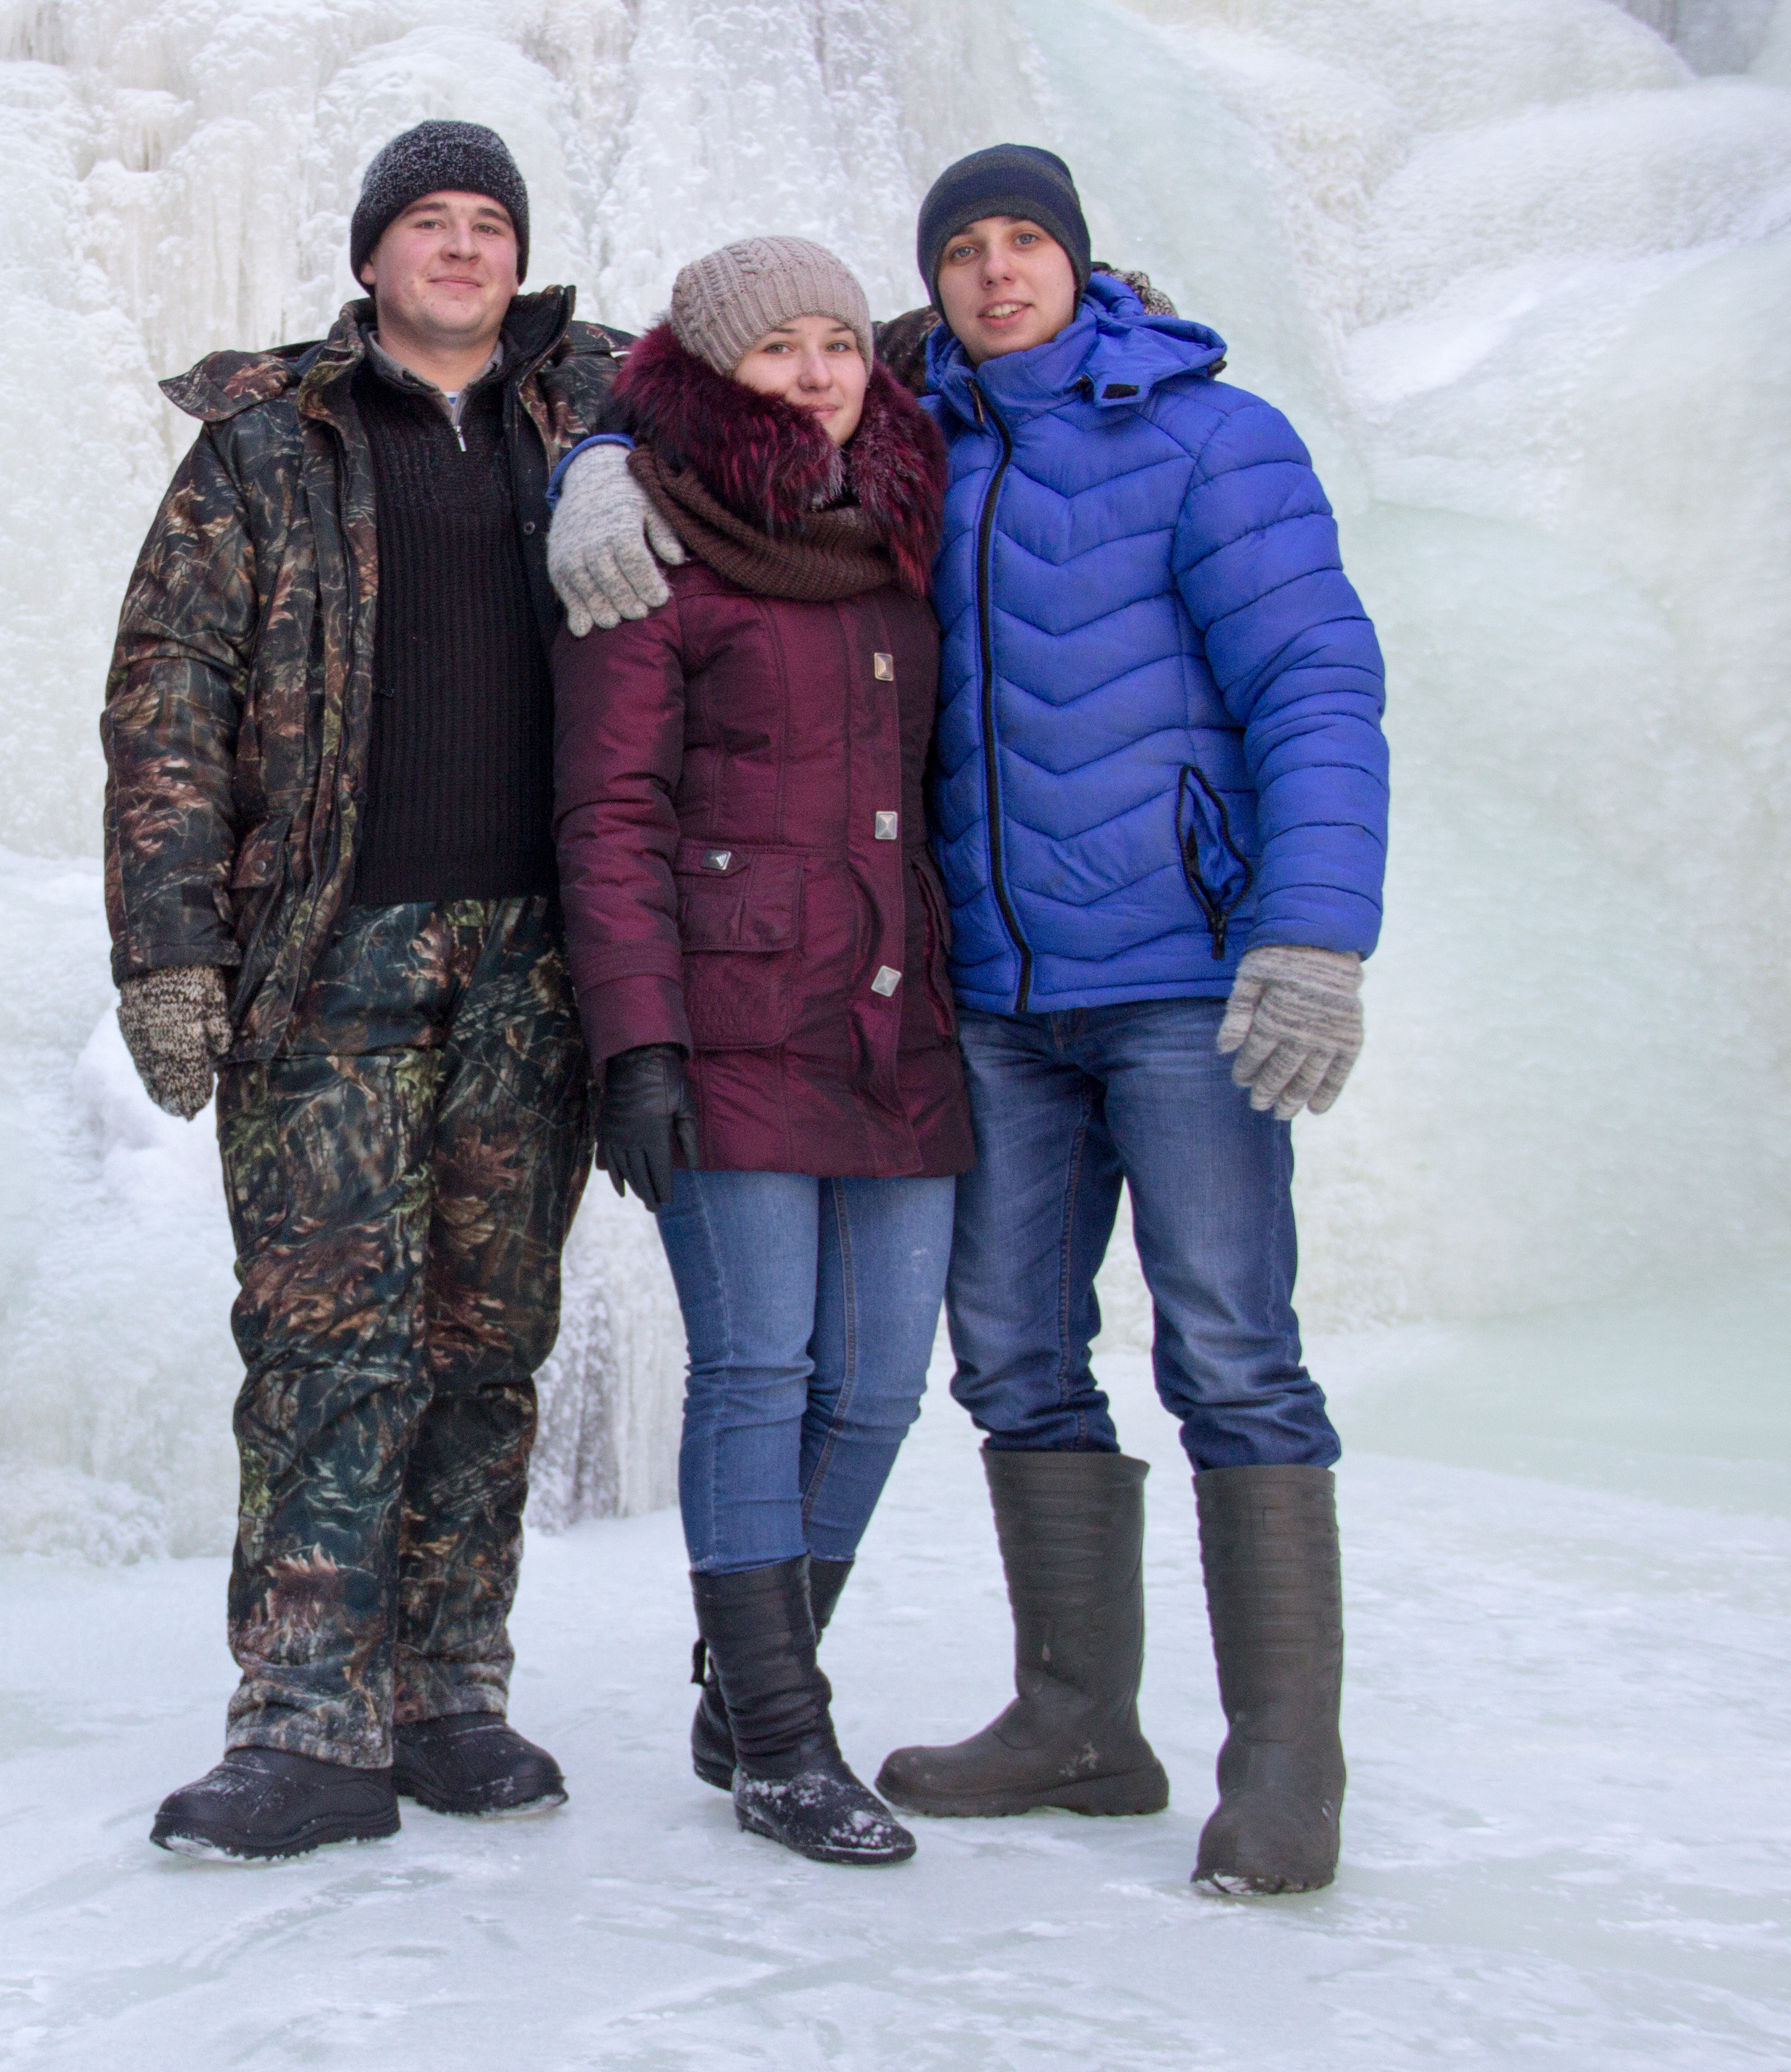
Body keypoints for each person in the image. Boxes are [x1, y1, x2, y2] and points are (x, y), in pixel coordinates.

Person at [549, 144, 1387, 1897]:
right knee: (1007, 1356)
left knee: (1232, 1352)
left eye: (1027, 242)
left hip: (1179, 976)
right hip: (983, 997)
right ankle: (1079, 1720)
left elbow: (1315, 677)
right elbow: (718, 397)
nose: (998, 273)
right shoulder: (923, 432)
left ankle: (1285, 1767)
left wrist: (1314, 930)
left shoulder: (1215, 438)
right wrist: (597, 467)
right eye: (964, 250)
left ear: (1083, 260)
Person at [101, 120, 627, 1861]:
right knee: (330, 1342)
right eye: (429, 221)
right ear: (372, 257)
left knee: (488, 1343)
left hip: (537, 963)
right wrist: (172, 949)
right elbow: (168, 697)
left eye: (490, 224)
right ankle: (305, 1720)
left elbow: (824, 374)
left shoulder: (607, 410)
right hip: (330, 953)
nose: (462, 247)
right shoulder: (268, 442)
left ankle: (448, 1693)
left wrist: (1076, 309)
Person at [551, 236, 968, 1869]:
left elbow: (1017, 318)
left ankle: (744, 1689)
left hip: (894, 1015)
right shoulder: (653, 540)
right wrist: (637, 1045)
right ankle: (785, 1741)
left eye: (836, 343)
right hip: (728, 1020)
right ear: (714, 370)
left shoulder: (902, 522)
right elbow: (611, 814)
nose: (815, 372)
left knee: (879, 1385)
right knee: (759, 1371)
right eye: (776, 346)